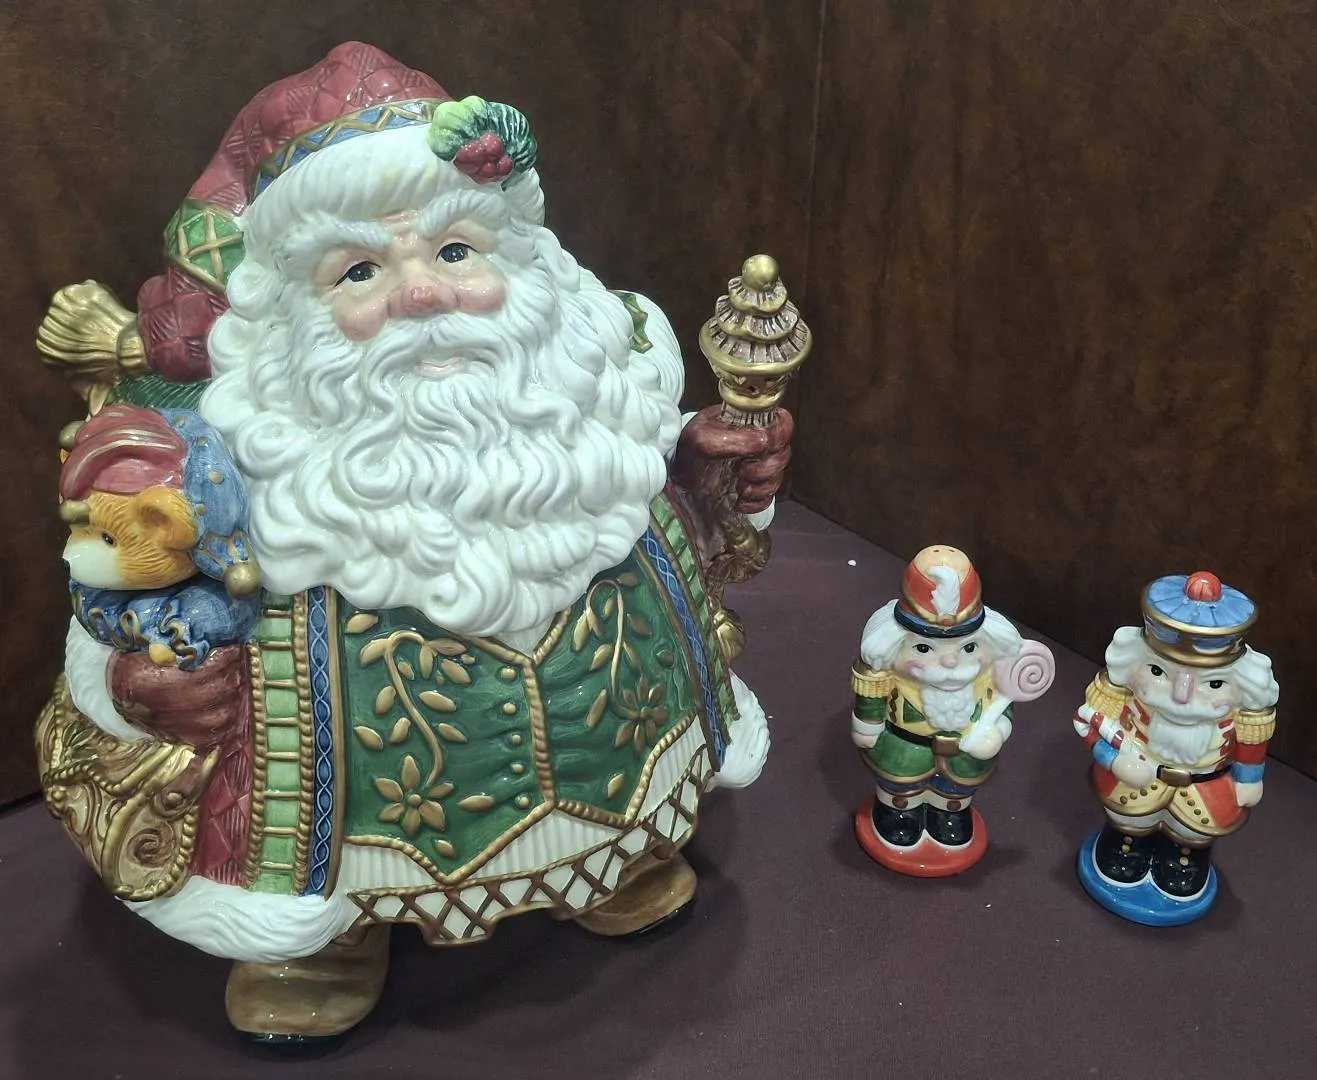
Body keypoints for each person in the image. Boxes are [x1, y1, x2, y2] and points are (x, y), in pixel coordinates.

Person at [37, 42, 790, 1040]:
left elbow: (696, 541)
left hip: (622, 736)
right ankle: (330, 935)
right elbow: (117, 606)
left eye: (454, 251)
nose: (422, 295)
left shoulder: (591, 400)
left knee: (630, 799)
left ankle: (616, 851)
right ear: (296, 311)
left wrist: (707, 477)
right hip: (335, 808)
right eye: (360, 270)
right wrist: (139, 684)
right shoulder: (222, 458)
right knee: (306, 864)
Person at [1073, 570, 1278, 924]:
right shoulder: (1120, 695)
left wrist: (1248, 779)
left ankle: (1183, 859)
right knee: (1128, 822)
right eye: (1157, 672)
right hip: (1134, 777)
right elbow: (1092, 728)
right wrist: (1115, 760)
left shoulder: (1243, 716)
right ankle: (1126, 847)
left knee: (1191, 835)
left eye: (1214, 684)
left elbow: (1251, 744)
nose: (1182, 696)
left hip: (1204, 787)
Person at [850, 545, 1050, 875]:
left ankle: (950, 814)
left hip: (964, 757)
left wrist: (998, 731)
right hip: (905, 748)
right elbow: (870, 698)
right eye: (924, 648)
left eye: (968, 647)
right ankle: (899, 813)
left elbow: (1004, 706)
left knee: (954, 794)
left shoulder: (988, 678)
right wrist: (867, 726)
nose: (949, 661)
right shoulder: (889, 676)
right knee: (900, 790)